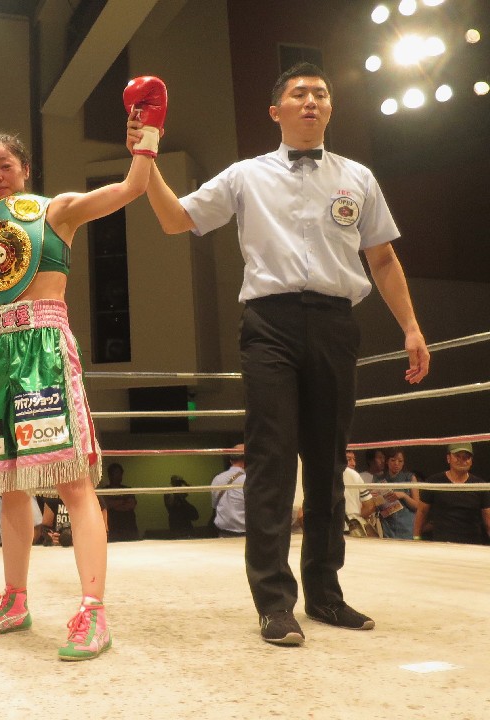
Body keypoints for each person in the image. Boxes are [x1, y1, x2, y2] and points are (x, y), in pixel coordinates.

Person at [131, 62, 430, 646]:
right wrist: (148, 153)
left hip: (336, 323)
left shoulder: (358, 178)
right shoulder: (247, 175)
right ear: (276, 111)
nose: (312, 100)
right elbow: (173, 219)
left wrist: (412, 327)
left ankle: (325, 594)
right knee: (270, 461)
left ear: (330, 108)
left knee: (328, 463)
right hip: (270, 324)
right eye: (299, 93)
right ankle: (274, 602)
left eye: (321, 93)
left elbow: (383, 259)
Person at [0, 78, 155, 659]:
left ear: (25, 169)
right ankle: (15, 598)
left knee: (72, 481)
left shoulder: (55, 211)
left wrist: (147, 135)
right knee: (10, 484)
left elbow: (132, 187)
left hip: (44, 346)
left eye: (4, 165)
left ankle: (93, 610)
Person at [415, 443, 490, 545]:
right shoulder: (434, 482)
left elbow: (488, 520)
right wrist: (416, 538)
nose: (462, 460)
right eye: (457, 456)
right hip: (441, 544)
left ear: (471, 461)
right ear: (448, 458)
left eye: (466, 457)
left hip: (471, 545)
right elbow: (422, 512)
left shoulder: (480, 485)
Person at [371, 448, 419, 539]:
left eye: (400, 461)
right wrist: (373, 497)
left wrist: (404, 496)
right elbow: (373, 506)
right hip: (387, 526)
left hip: (406, 526)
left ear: (403, 462)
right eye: (393, 460)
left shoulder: (410, 477)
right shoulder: (378, 478)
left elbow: (417, 506)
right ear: (387, 461)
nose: (396, 463)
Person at [40, 493, 108, 547]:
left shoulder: (94, 498)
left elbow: (104, 531)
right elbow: (45, 527)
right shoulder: (53, 497)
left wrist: (83, 538)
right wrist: (51, 537)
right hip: (59, 547)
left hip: (85, 546)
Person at [210, 445, 247, 537]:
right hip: (247, 535)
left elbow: (215, 505)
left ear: (231, 461)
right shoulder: (250, 480)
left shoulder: (217, 479)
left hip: (223, 534)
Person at [343, 450, 378, 538]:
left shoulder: (321, 475)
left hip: (330, 528)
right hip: (351, 527)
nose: (353, 463)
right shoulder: (353, 474)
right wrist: (357, 516)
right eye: (349, 459)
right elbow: (370, 506)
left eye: (354, 459)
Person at [102, 463, 139, 542]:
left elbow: (132, 504)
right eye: (116, 473)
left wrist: (115, 504)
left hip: (129, 527)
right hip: (113, 527)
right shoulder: (104, 491)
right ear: (110, 475)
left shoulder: (128, 489)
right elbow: (107, 504)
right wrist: (124, 500)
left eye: (120, 473)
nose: (118, 476)